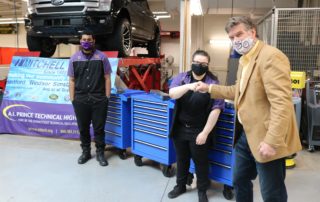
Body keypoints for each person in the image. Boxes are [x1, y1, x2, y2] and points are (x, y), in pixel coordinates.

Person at [195, 16, 302, 202]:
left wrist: (272, 141)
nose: (235, 40)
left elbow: (281, 103)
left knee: (272, 193)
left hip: (267, 135)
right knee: (239, 179)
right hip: (246, 134)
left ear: (252, 32)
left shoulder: (271, 56)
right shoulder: (245, 60)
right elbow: (239, 91)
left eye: (239, 34)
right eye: (231, 37)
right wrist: (209, 88)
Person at [168, 50, 224, 202]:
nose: (200, 66)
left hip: (199, 130)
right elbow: (172, 93)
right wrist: (189, 86)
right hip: (180, 128)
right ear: (192, 62)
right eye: (197, 63)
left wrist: (205, 133)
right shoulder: (182, 78)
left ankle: (202, 191)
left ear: (208, 65)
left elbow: (216, 109)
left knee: (201, 162)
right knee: (181, 159)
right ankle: (180, 186)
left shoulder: (213, 82)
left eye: (204, 64)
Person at [68, 31, 112, 166]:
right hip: (80, 100)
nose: (86, 42)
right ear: (80, 41)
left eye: (89, 39)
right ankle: (86, 152)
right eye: (84, 39)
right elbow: (72, 81)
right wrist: (73, 100)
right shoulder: (74, 59)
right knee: (83, 128)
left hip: (99, 99)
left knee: (99, 128)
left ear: (94, 41)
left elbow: (107, 78)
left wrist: (107, 97)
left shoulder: (102, 57)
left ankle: (100, 153)